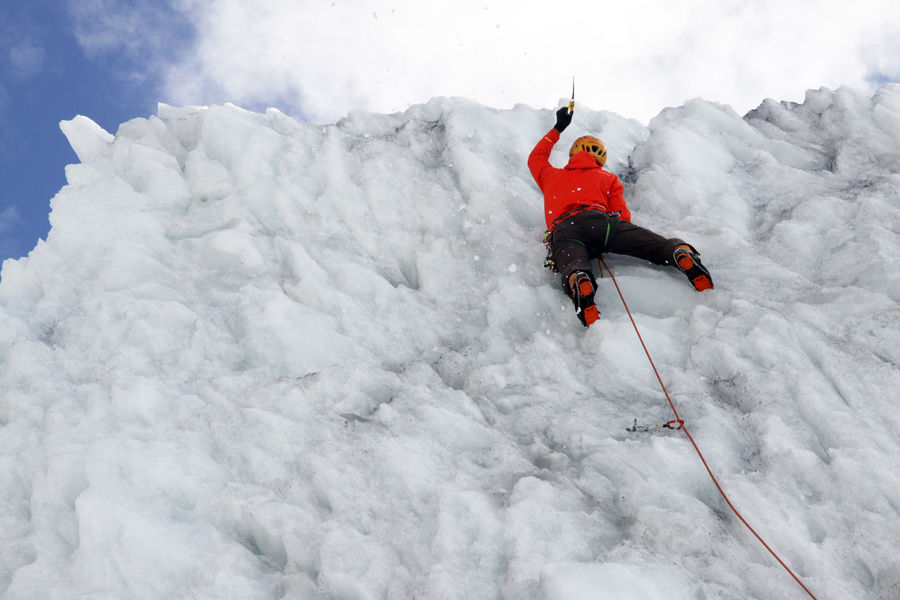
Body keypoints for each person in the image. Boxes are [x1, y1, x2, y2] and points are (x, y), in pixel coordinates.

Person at [528, 106, 713, 327]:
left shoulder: (551, 176)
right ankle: (677, 253)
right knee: (655, 246)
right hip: (601, 223)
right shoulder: (607, 178)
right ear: (599, 159)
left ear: (573, 155)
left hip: (565, 229)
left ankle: (579, 279)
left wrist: (558, 128)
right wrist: (615, 236)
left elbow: (535, 158)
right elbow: (622, 215)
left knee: (573, 262)